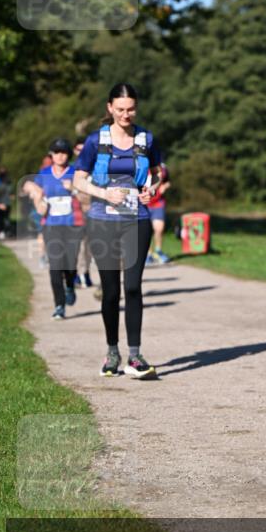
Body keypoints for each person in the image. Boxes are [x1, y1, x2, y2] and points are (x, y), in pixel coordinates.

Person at [73, 83, 162, 379]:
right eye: (120, 109)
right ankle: (112, 352)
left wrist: (151, 188)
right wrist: (101, 193)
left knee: (133, 286)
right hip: (102, 221)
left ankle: (135, 357)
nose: (126, 114)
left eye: (131, 109)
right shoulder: (94, 141)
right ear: (109, 108)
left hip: (137, 219)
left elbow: (159, 172)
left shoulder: (146, 138)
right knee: (110, 292)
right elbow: (79, 180)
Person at [28, 139, 83, 319]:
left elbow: (87, 195)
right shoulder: (44, 174)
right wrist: (38, 202)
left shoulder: (76, 172)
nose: (60, 156)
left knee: (70, 263)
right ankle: (59, 305)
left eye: (64, 152)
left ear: (68, 155)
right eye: (56, 152)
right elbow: (36, 194)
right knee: (55, 266)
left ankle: (70, 285)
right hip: (51, 224)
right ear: (51, 155)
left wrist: (74, 188)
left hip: (73, 223)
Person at [72, 138, 94, 287]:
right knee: (77, 246)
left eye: (83, 150)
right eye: (79, 150)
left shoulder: (94, 167)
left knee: (89, 246)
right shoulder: (71, 169)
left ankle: (85, 272)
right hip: (75, 214)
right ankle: (76, 274)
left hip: (92, 212)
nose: (81, 153)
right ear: (74, 151)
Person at [146, 163, 171, 265]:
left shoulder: (163, 167)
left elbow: (168, 182)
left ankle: (158, 251)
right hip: (144, 203)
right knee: (147, 230)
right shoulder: (140, 163)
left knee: (159, 228)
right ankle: (148, 254)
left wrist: (165, 186)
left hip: (158, 203)